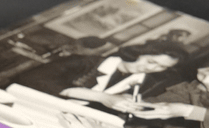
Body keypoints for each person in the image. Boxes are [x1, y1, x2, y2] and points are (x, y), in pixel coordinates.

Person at [13, 40, 187, 106]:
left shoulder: (142, 84)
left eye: (161, 67)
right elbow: (32, 78)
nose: (152, 69)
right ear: (137, 53)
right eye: (151, 62)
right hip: (31, 104)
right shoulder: (85, 62)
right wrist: (102, 98)